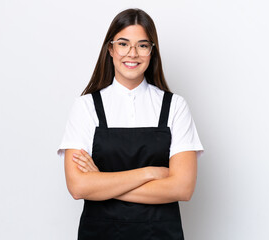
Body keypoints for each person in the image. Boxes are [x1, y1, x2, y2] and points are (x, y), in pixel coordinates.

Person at [57, 8, 204, 240]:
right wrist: (149, 173)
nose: (132, 53)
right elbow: (78, 187)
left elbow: (182, 188)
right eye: (123, 44)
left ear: (152, 51)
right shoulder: (85, 107)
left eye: (143, 45)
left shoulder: (175, 106)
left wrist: (103, 183)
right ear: (111, 49)